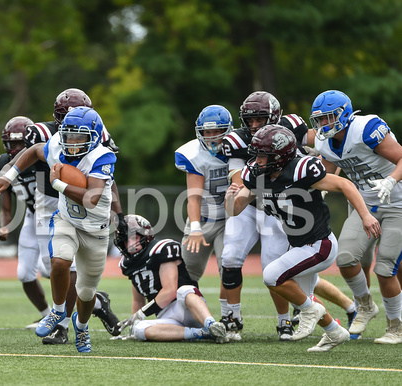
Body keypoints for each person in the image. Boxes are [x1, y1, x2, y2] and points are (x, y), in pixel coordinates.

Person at [225, 124, 381, 352]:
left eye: (263, 155)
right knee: (304, 295)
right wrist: (230, 199)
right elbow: (235, 210)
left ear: (280, 156)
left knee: (272, 275)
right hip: (298, 244)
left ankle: (313, 312)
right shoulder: (255, 174)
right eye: (256, 154)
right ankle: (334, 332)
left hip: (319, 245)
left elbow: (345, 184)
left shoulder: (301, 170)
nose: (257, 160)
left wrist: (366, 215)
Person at [221, 91, 356, 341]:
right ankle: (335, 330)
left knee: (276, 271)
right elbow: (242, 188)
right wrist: (235, 196)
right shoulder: (246, 155)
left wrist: (320, 179)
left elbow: (327, 143)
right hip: (267, 206)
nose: (252, 126)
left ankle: (295, 319)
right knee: (298, 284)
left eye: (258, 119)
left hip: (307, 230)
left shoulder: (300, 163)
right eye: (248, 120)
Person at [0, 106, 116, 353]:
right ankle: (57, 314)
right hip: (66, 220)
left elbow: (91, 198)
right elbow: (35, 150)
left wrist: (57, 183)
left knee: (86, 292)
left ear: (94, 136)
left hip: (94, 230)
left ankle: (82, 327)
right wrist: (10, 175)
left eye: (79, 136)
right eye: (68, 134)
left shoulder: (103, 156)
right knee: (59, 263)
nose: (72, 141)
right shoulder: (59, 144)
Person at [16, 88, 122, 344]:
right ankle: (71, 311)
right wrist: (7, 174)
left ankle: (65, 324)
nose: (71, 130)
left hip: (86, 213)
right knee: (51, 266)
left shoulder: (99, 141)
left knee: (72, 271)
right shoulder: (49, 135)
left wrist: (118, 214)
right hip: (47, 204)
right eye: (65, 118)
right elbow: (29, 153)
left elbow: (104, 184)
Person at [310, 90, 402, 344]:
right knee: (347, 258)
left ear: (344, 114)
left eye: (327, 118)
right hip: (365, 204)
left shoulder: (366, 128)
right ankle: (365, 305)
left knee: (385, 269)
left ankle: (396, 326)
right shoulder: (324, 141)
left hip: (398, 203)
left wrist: (391, 180)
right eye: (319, 119)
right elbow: (327, 169)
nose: (322, 125)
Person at [113, 214, 227, 343]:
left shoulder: (162, 248)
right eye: (126, 240)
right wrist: (135, 321)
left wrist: (142, 313)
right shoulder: (127, 264)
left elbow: (170, 290)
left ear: (146, 234)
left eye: (134, 237)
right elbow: (138, 301)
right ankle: (202, 333)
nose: (131, 244)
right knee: (139, 329)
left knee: (184, 290)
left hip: (185, 306)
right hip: (166, 316)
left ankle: (211, 324)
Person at [0, 116, 54, 330]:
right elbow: (5, 209)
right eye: (12, 143)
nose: (16, 148)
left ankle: (63, 312)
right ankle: (46, 314)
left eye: (21, 142)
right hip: (31, 216)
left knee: (50, 269)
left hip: (53, 216)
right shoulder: (0, 165)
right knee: (25, 274)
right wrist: (4, 226)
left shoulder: (43, 157)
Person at [174, 105, 232, 323]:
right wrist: (196, 229)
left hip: (230, 220)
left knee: (229, 268)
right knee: (186, 273)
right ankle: (194, 316)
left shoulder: (239, 148)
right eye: (206, 132)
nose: (211, 137)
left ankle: (229, 317)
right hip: (203, 219)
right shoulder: (194, 153)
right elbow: (194, 197)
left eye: (216, 131)